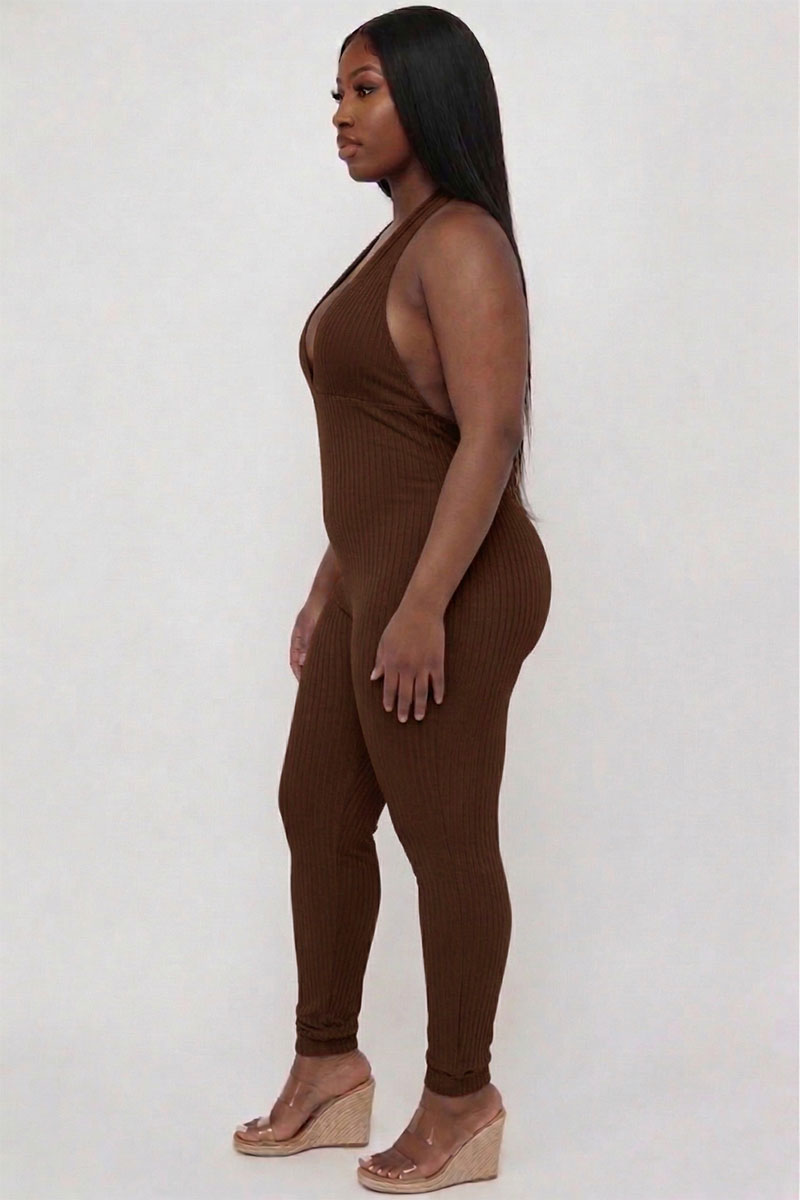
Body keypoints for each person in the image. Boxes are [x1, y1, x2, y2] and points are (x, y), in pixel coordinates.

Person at [233, 7, 552, 1193]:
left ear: (430, 95)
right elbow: (384, 444)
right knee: (315, 804)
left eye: (363, 90)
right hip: (381, 582)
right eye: (335, 94)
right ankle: (328, 1066)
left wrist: (418, 605)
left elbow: (486, 436)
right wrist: (335, 582)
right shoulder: (392, 243)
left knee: (443, 837)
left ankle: (462, 1100)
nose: (340, 116)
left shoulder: (459, 239)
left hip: (456, 585)